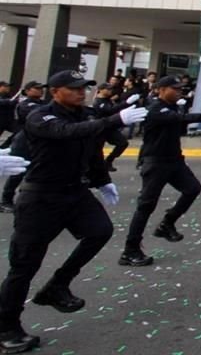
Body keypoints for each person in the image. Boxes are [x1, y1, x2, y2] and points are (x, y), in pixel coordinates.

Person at [0, 71, 142, 353]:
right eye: (74, 88)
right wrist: (114, 119)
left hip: (74, 192)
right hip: (41, 196)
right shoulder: (41, 116)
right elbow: (65, 133)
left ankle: (58, 285)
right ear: (55, 91)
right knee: (25, 266)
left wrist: (103, 182)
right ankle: (6, 327)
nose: (81, 92)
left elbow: (92, 151)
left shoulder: (85, 116)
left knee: (100, 231)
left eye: (83, 88)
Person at [118, 76, 201, 267]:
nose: (180, 91)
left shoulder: (172, 106)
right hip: (156, 162)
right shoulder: (156, 109)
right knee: (146, 206)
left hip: (174, 160)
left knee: (192, 189)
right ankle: (130, 250)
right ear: (161, 89)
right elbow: (182, 119)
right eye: (175, 89)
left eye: (181, 89)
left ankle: (167, 223)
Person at [0, 81, 46, 214]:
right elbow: (39, 114)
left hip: (38, 141)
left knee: (36, 170)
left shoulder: (42, 104)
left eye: (41, 88)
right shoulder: (25, 104)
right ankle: (6, 200)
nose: (40, 90)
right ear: (27, 90)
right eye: (36, 88)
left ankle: (28, 199)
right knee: (18, 170)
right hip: (24, 140)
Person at [91, 83, 139, 172]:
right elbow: (110, 110)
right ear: (101, 90)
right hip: (100, 128)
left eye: (111, 89)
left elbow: (114, 109)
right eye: (108, 89)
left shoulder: (108, 100)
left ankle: (108, 161)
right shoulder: (98, 101)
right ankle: (95, 168)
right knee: (97, 150)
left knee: (123, 143)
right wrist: (126, 103)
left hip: (110, 127)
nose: (110, 91)